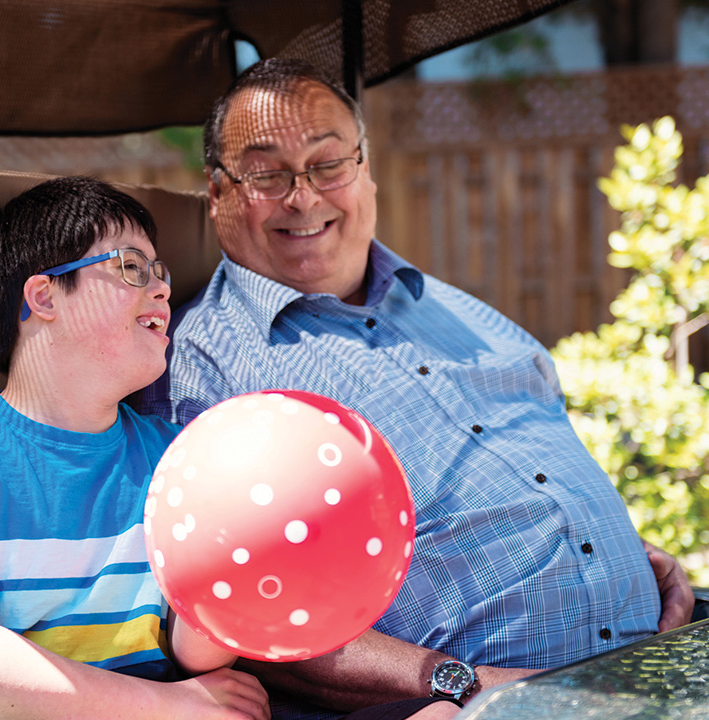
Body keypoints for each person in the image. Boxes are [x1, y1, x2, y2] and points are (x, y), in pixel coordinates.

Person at [140, 58, 696, 719]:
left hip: (658, 661)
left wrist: (621, 550)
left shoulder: (459, 310)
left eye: (328, 164)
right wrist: (463, 682)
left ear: (365, 171)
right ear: (217, 190)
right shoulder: (206, 365)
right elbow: (248, 616)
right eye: (266, 173)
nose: (304, 196)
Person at [0, 176, 270, 720]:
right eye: (131, 268)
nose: (162, 290)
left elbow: (195, 653)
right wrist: (170, 706)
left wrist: (246, 540)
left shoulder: (182, 457)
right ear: (44, 297)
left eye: (161, 272)